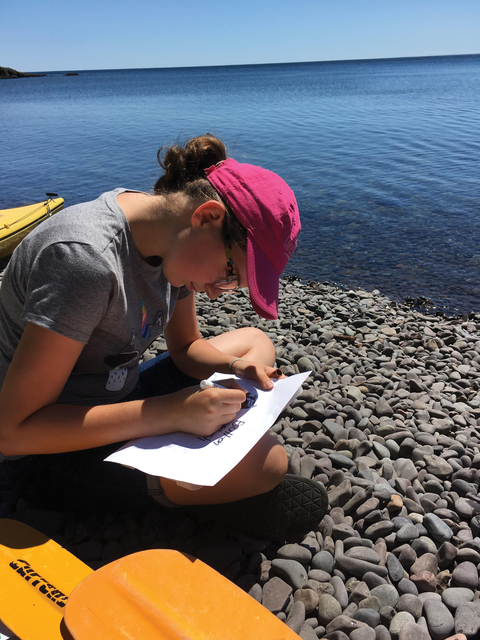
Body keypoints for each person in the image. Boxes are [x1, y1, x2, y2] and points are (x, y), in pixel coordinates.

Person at [0, 134, 327, 539]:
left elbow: (188, 348)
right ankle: (208, 499)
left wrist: (234, 366)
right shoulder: (86, 261)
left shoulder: (166, 233)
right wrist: (170, 413)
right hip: (46, 450)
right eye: (229, 274)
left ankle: (202, 486)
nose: (214, 291)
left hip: (116, 394)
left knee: (253, 343)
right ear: (207, 217)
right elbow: (14, 431)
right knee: (270, 464)